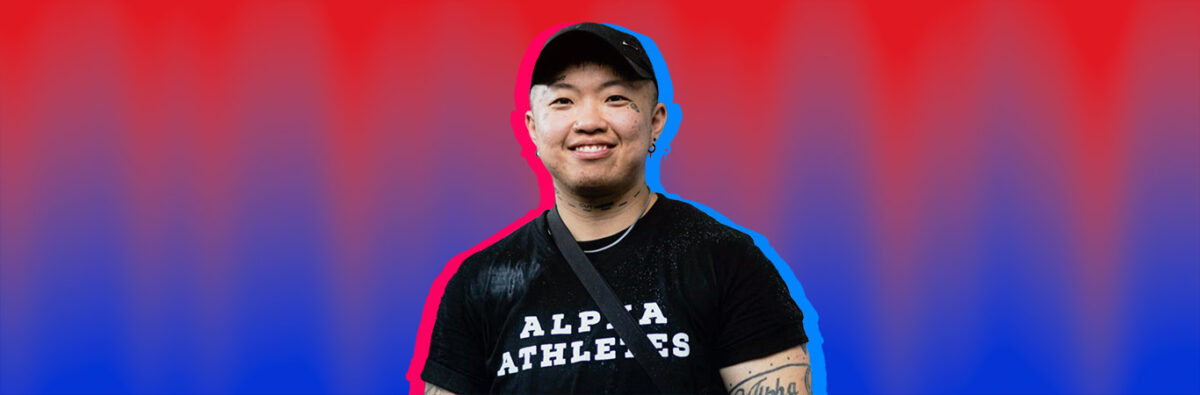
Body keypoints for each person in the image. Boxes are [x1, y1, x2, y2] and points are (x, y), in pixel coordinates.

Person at [420, 22, 811, 394]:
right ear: (533, 128)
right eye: (563, 101)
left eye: (615, 98)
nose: (589, 121)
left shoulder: (724, 261)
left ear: (656, 121)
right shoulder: (481, 282)